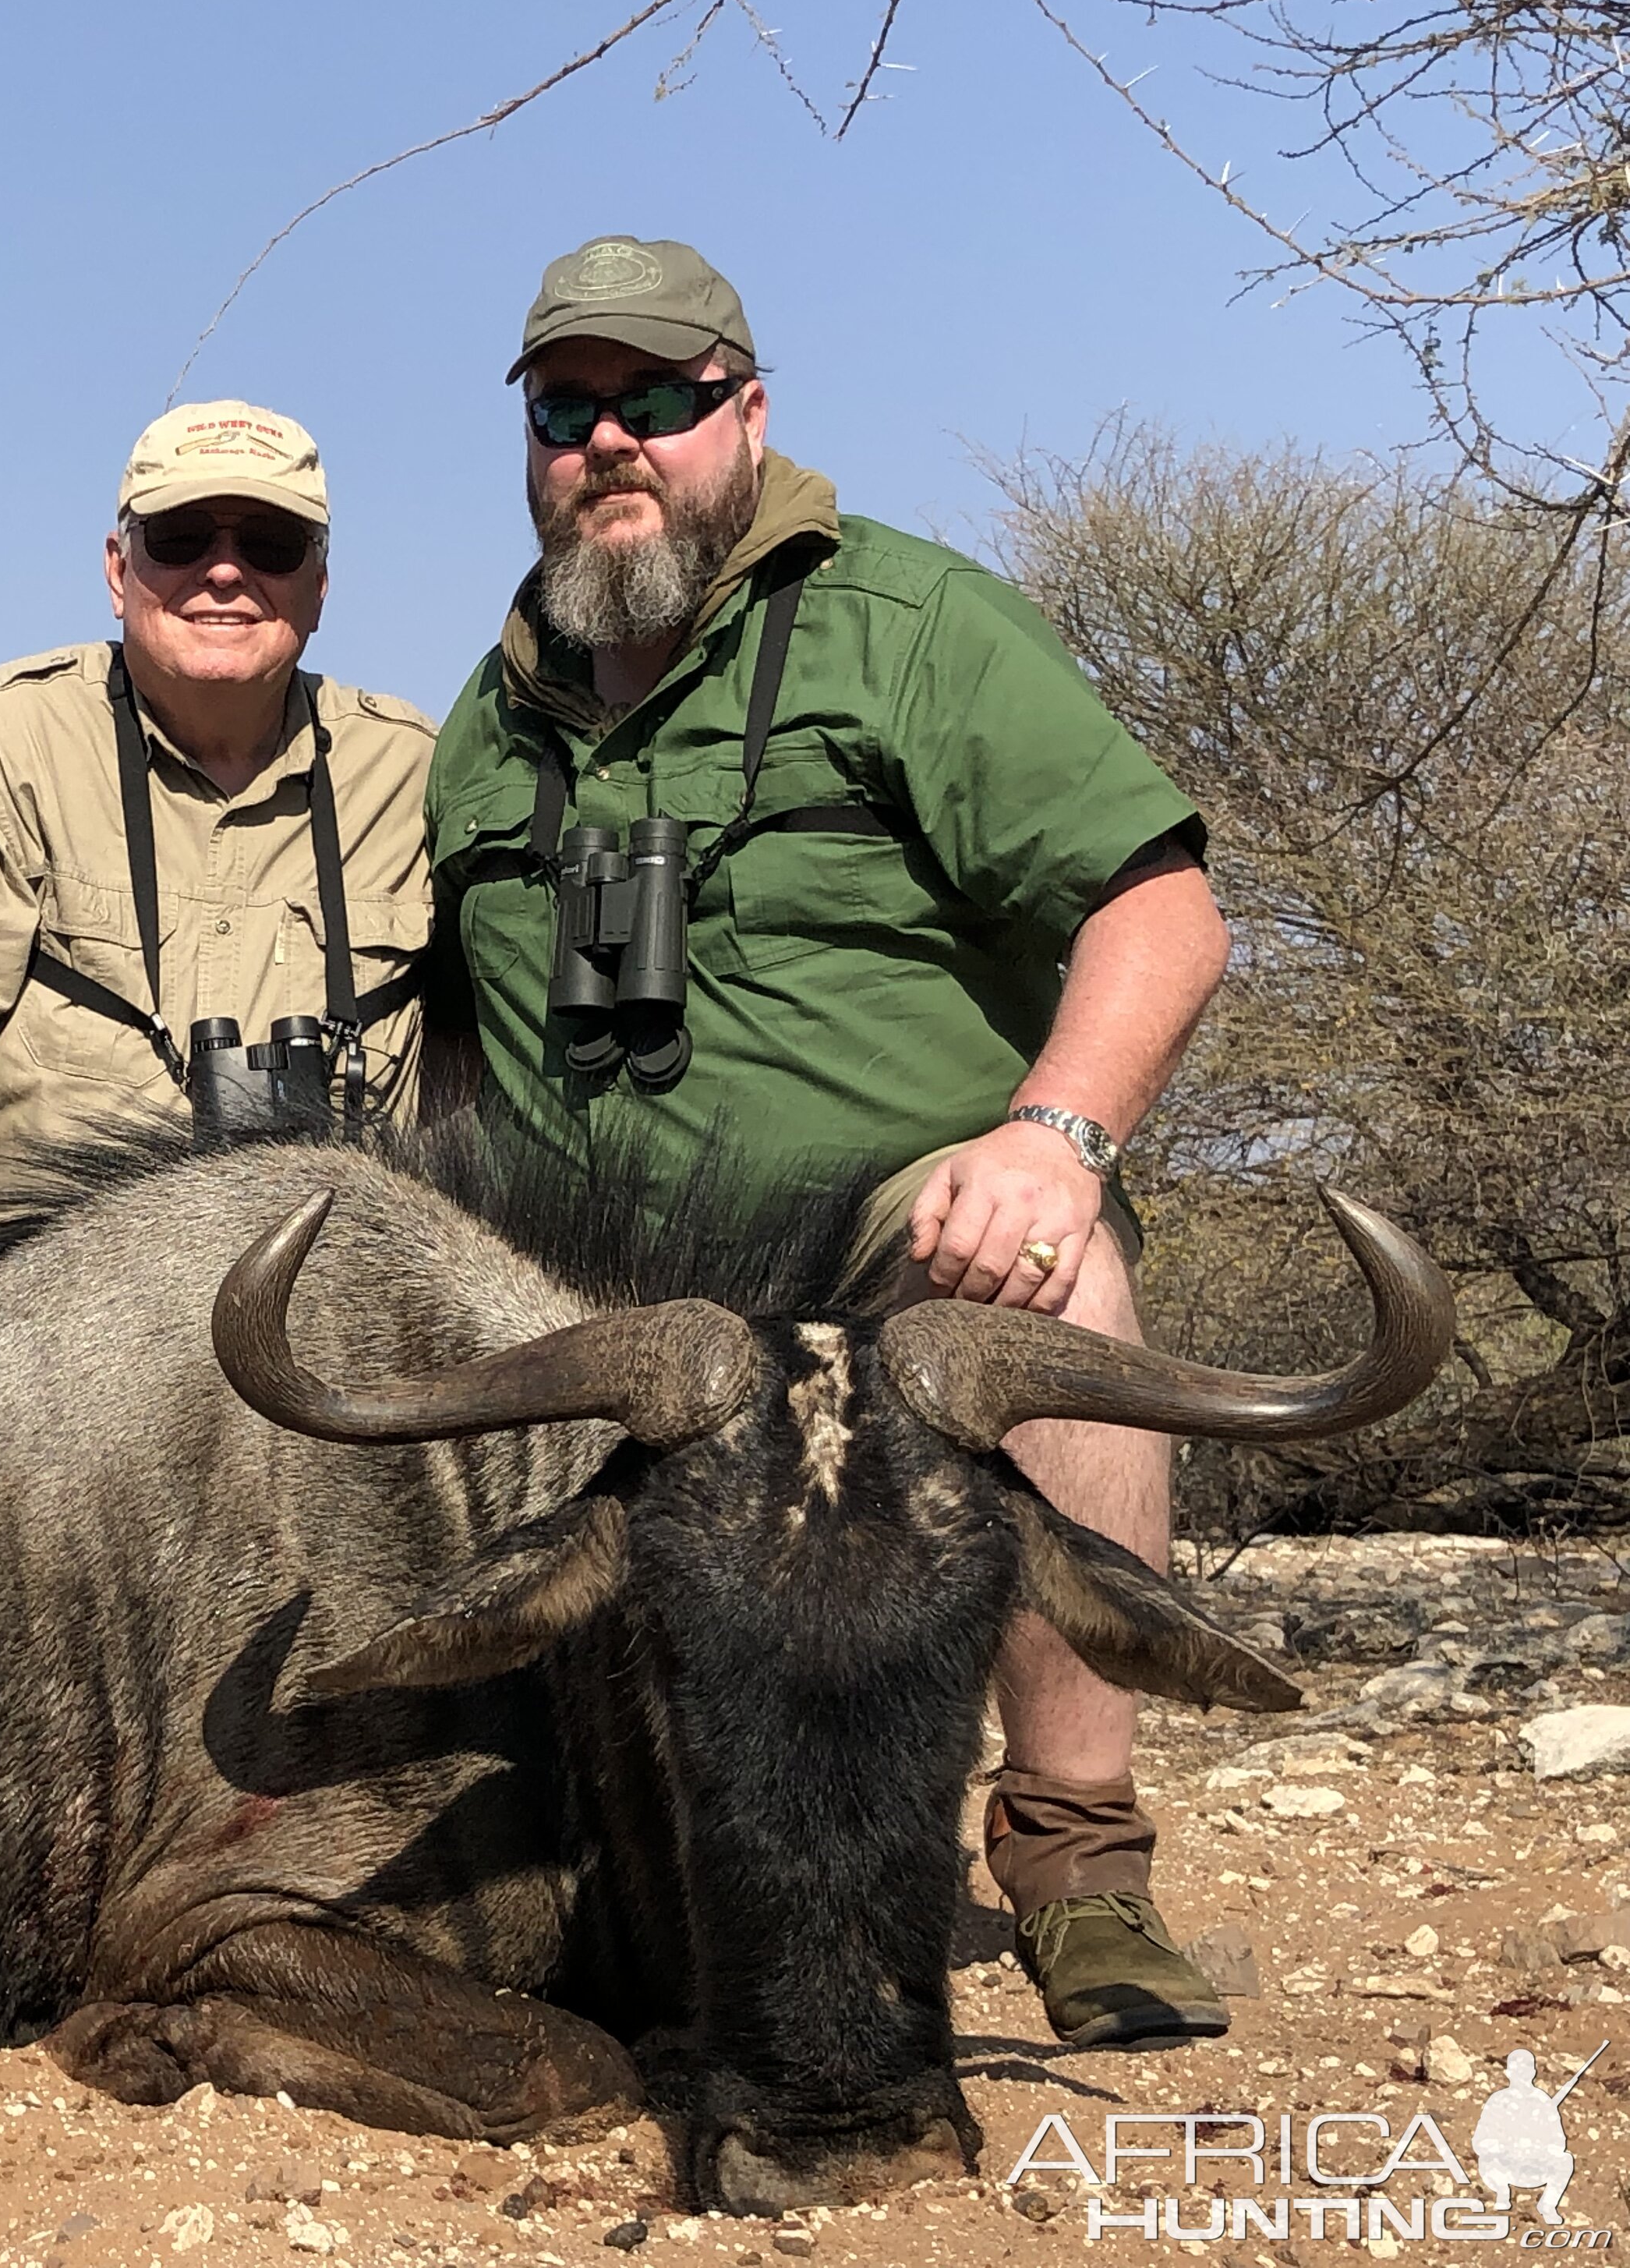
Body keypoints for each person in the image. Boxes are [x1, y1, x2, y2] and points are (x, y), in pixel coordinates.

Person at [426, 235, 1236, 2046]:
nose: (611, 442)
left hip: (891, 1228)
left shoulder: (912, 625)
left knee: (1057, 1272)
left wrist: (1052, 1135)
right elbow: (462, 1048)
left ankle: (1078, 1860)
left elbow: (1163, 909)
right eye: (570, 410)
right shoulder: (487, 721)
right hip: (599, 1274)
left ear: (748, 411)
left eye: (658, 401)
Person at [0, 401, 436, 1328]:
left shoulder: (417, 773)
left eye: (270, 542)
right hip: (50, 1341)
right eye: (181, 537)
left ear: (319, 584)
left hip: (338, 1345)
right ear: (119, 571)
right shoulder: (0, 741)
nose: (223, 571)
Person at [1474, 2048, 1579, 2224]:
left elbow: (1558, 2141)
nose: (1521, 2075)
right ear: (1508, 2073)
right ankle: (1502, 2193)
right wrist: (1503, 2147)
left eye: (1526, 2070)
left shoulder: (1543, 2101)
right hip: (1505, 2167)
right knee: (1486, 2161)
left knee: (1565, 2160)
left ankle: (1548, 2205)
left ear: (1533, 2072)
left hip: (1535, 2167)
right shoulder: (1498, 2101)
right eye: (1517, 2071)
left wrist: (1538, 2149)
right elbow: (1480, 2141)